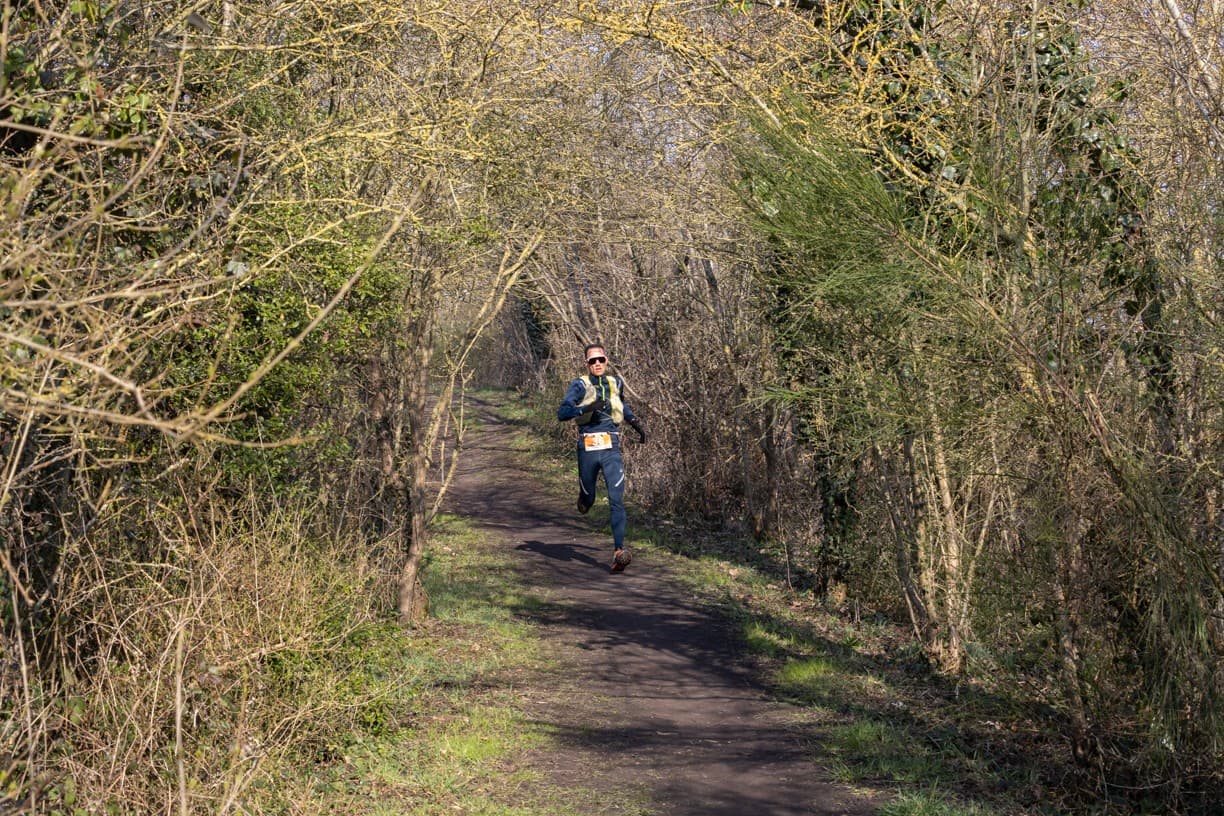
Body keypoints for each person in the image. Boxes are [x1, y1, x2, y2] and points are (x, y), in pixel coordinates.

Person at [556, 343, 647, 572]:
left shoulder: (615, 382)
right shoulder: (580, 385)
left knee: (616, 498)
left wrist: (636, 424)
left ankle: (619, 551)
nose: (597, 364)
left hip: (611, 446)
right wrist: (586, 408)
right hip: (587, 446)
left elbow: (622, 405)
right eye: (592, 361)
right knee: (589, 499)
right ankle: (584, 500)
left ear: (606, 360)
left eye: (601, 360)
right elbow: (562, 413)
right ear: (586, 363)